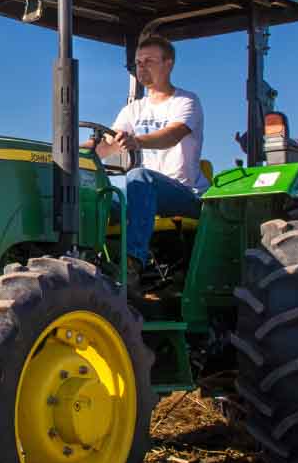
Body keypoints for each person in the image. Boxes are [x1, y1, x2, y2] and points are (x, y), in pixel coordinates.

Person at [87, 34, 209, 285]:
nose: (142, 67)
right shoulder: (133, 109)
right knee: (97, 199)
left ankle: (131, 265)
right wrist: (73, 151)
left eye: (149, 61)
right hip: (144, 196)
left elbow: (172, 135)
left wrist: (138, 141)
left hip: (184, 193)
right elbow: (107, 144)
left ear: (168, 64)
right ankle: (87, 266)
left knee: (138, 176)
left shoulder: (186, 101)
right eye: (138, 63)